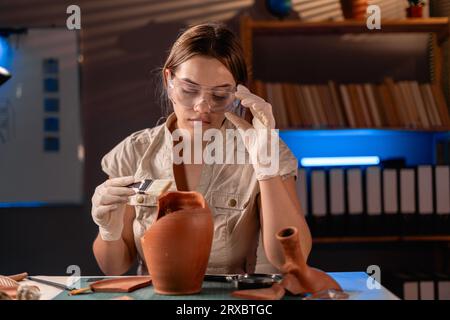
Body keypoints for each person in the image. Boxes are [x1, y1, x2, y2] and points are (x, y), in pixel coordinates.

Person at [91, 22, 312, 276]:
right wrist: (109, 230)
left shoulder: (264, 149)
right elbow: (113, 267)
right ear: (169, 80)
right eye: (189, 90)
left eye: (219, 96)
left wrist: (267, 167)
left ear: (237, 93)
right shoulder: (134, 153)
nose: (202, 107)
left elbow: (290, 262)